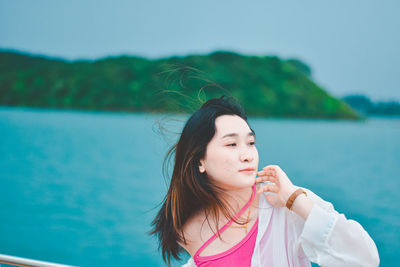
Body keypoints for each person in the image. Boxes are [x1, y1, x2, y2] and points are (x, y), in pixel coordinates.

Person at [150, 96, 379, 267]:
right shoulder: (187, 230)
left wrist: (294, 199)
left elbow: (364, 259)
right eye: (232, 144)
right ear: (200, 160)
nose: (248, 154)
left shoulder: (282, 202)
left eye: (250, 143)